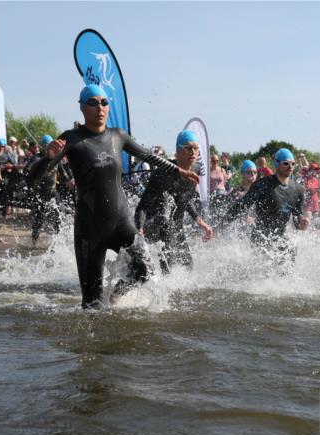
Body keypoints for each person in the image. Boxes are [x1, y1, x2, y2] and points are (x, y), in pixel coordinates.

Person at [36, 84, 197, 308]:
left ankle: (117, 297)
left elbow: (149, 156)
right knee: (91, 304)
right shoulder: (71, 139)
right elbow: (32, 179)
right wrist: (46, 158)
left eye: (104, 102)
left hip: (121, 224)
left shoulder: (118, 136)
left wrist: (178, 170)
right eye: (92, 102)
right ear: (82, 107)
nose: (99, 107)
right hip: (89, 230)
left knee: (145, 269)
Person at [133, 129, 214, 273]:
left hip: (175, 224)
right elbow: (142, 207)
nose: (193, 152)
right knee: (168, 265)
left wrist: (199, 221)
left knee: (188, 266)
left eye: (196, 148)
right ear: (178, 150)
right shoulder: (162, 173)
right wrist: (139, 228)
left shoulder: (195, 170)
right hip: (155, 224)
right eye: (188, 148)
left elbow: (183, 199)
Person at [235, 147, 310, 259]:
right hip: (261, 237)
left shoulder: (297, 189)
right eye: (286, 163)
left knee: (291, 253)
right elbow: (240, 207)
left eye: (293, 164)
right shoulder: (263, 185)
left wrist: (301, 223)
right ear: (277, 164)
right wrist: (219, 227)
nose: (290, 167)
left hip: (280, 236)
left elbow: (296, 219)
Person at [25, 134, 69, 246]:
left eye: (49, 144)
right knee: (39, 220)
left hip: (53, 193)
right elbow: (30, 171)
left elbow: (63, 172)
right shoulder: (37, 158)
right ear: (42, 146)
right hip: (40, 194)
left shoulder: (56, 159)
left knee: (58, 219)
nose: (48, 147)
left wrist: (70, 180)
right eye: (45, 145)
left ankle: (59, 243)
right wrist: (46, 159)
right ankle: (34, 241)